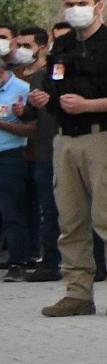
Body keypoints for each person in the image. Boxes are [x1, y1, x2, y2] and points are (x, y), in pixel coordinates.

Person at [39, 0, 107, 315]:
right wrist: (48, 100)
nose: (75, 9)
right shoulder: (62, 45)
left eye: (82, 3)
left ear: (99, 6)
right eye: (69, 3)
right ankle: (78, 292)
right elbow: (55, 86)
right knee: (70, 219)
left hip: (102, 136)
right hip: (65, 139)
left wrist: (89, 105)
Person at [0, 31, 46, 281]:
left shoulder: (21, 89)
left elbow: (31, 127)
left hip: (10, 154)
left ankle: (18, 261)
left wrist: (4, 124)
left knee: (12, 211)